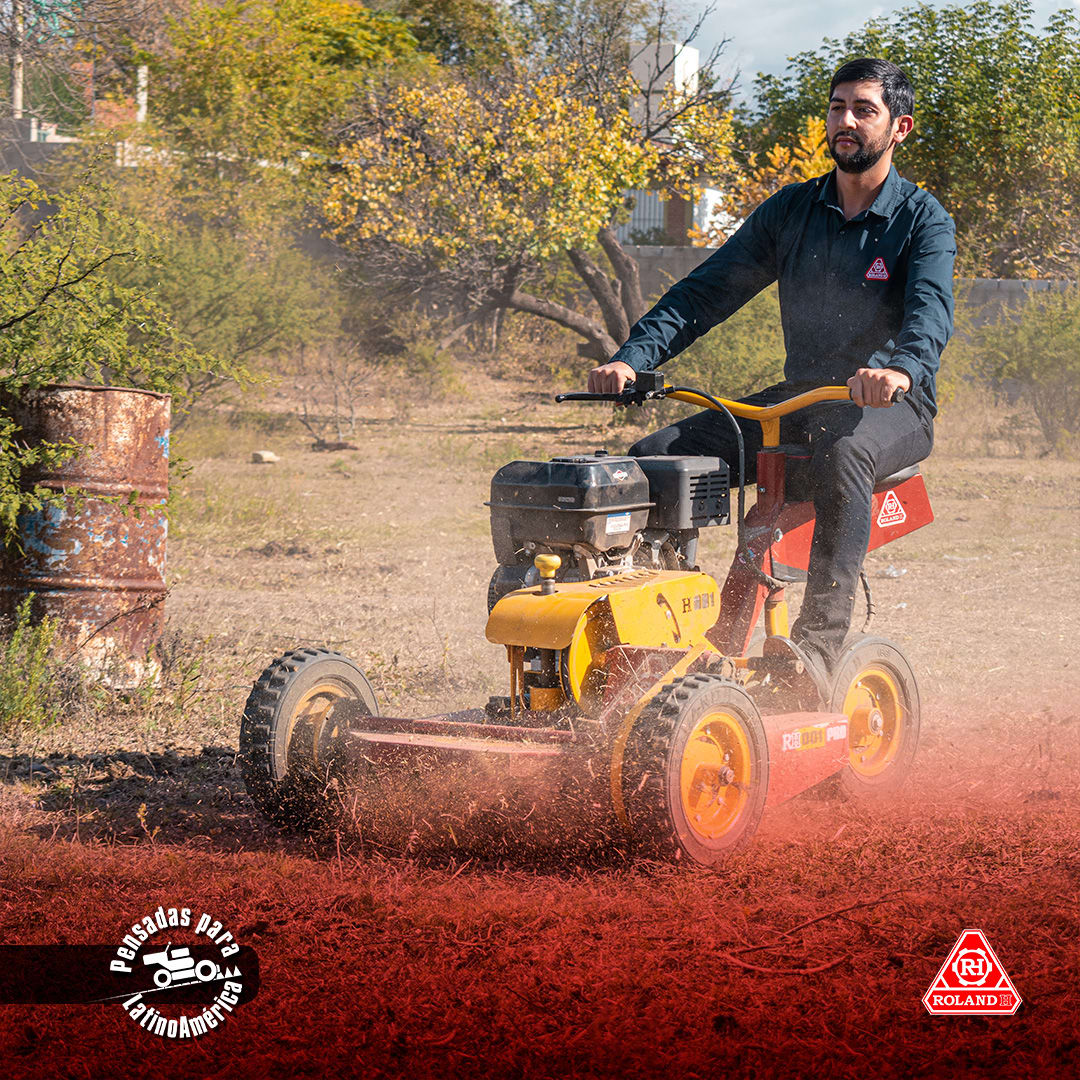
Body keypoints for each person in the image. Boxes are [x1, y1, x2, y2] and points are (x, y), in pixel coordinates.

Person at [587, 57, 955, 690]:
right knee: (655, 459)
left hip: (890, 408)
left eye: (864, 110)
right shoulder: (792, 211)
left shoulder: (923, 221)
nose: (846, 121)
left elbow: (929, 318)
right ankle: (665, 639)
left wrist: (897, 371)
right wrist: (634, 358)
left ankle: (812, 655)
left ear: (900, 128)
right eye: (838, 107)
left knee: (843, 456)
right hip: (797, 404)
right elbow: (703, 294)